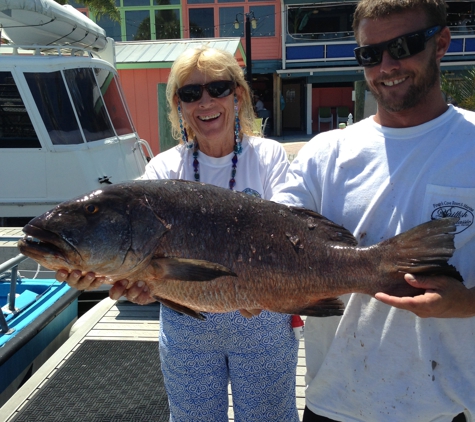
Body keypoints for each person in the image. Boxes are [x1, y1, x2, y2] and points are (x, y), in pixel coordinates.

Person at [56, 47, 300, 422]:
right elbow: (129, 247)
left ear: (238, 95)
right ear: (178, 105)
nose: (205, 101)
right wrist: (131, 281)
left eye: (218, 88)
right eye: (190, 93)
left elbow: (289, 237)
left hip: (260, 317)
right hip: (186, 322)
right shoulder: (163, 168)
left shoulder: (268, 156)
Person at [272, 0, 475, 421]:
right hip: (332, 406)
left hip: (445, 410)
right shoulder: (324, 154)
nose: (386, 66)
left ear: (441, 43)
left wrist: (466, 303)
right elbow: (267, 248)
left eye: (403, 46)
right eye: (370, 54)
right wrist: (155, 277)